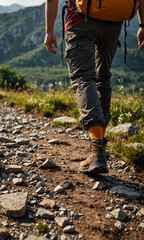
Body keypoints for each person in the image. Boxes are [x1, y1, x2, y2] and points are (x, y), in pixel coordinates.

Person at [44, 0, 144, 174]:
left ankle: (97, 151)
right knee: (103, 79)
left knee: (83, 78)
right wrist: (142, 25)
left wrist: (49, 30)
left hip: (80, 21)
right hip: (114, 23)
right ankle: (100, 147)